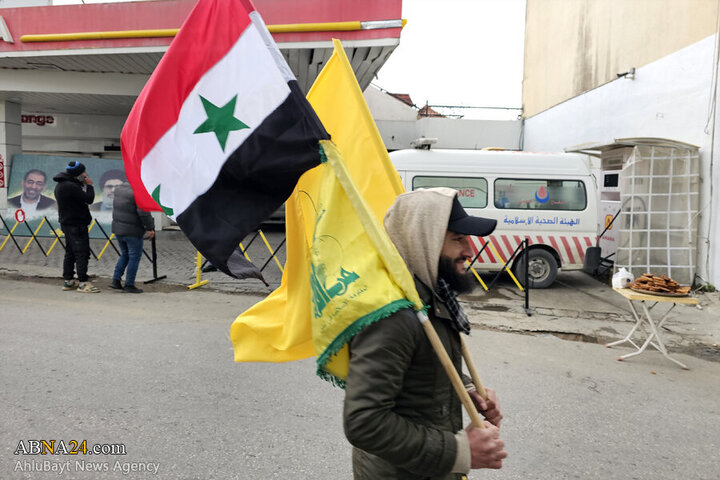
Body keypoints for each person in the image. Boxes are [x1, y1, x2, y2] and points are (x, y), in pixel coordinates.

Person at [343, 187, 506, 479]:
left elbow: (425, 364)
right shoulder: (392, 314)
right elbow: (364, 422)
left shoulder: (431, 296)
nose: (469, 250)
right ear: (424, 242)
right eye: (457, 239)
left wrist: (468, 390)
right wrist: (458, 451)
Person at [53, 161, 100, 293]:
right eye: (82, 173)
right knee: (82, 253)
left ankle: (68, 280)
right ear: (76, 174)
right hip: (76, 224)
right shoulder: (70, 186)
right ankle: (83, 282)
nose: (85, 175)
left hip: (67, 223)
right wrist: (90, 186)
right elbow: (88, 199)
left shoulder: (61, 184)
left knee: (71, 252)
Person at [109, 182, 155, 294]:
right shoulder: (139, 191)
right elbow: (144, 212)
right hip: (133, 231)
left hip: (118, 229)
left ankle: (116, 280)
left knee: (125, 254)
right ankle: (129, 284)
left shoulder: (119, 188)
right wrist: (150, 228)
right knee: (134, 256)